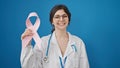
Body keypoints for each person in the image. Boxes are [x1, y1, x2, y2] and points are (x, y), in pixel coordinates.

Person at [21, 4, 89, 68]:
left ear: (69, 19)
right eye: (57, 17)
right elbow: (29, 66)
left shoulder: (78, 43)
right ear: (52, 21)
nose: (61, 19)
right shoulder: (42, 42)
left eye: (64, 16)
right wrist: (27, 44)